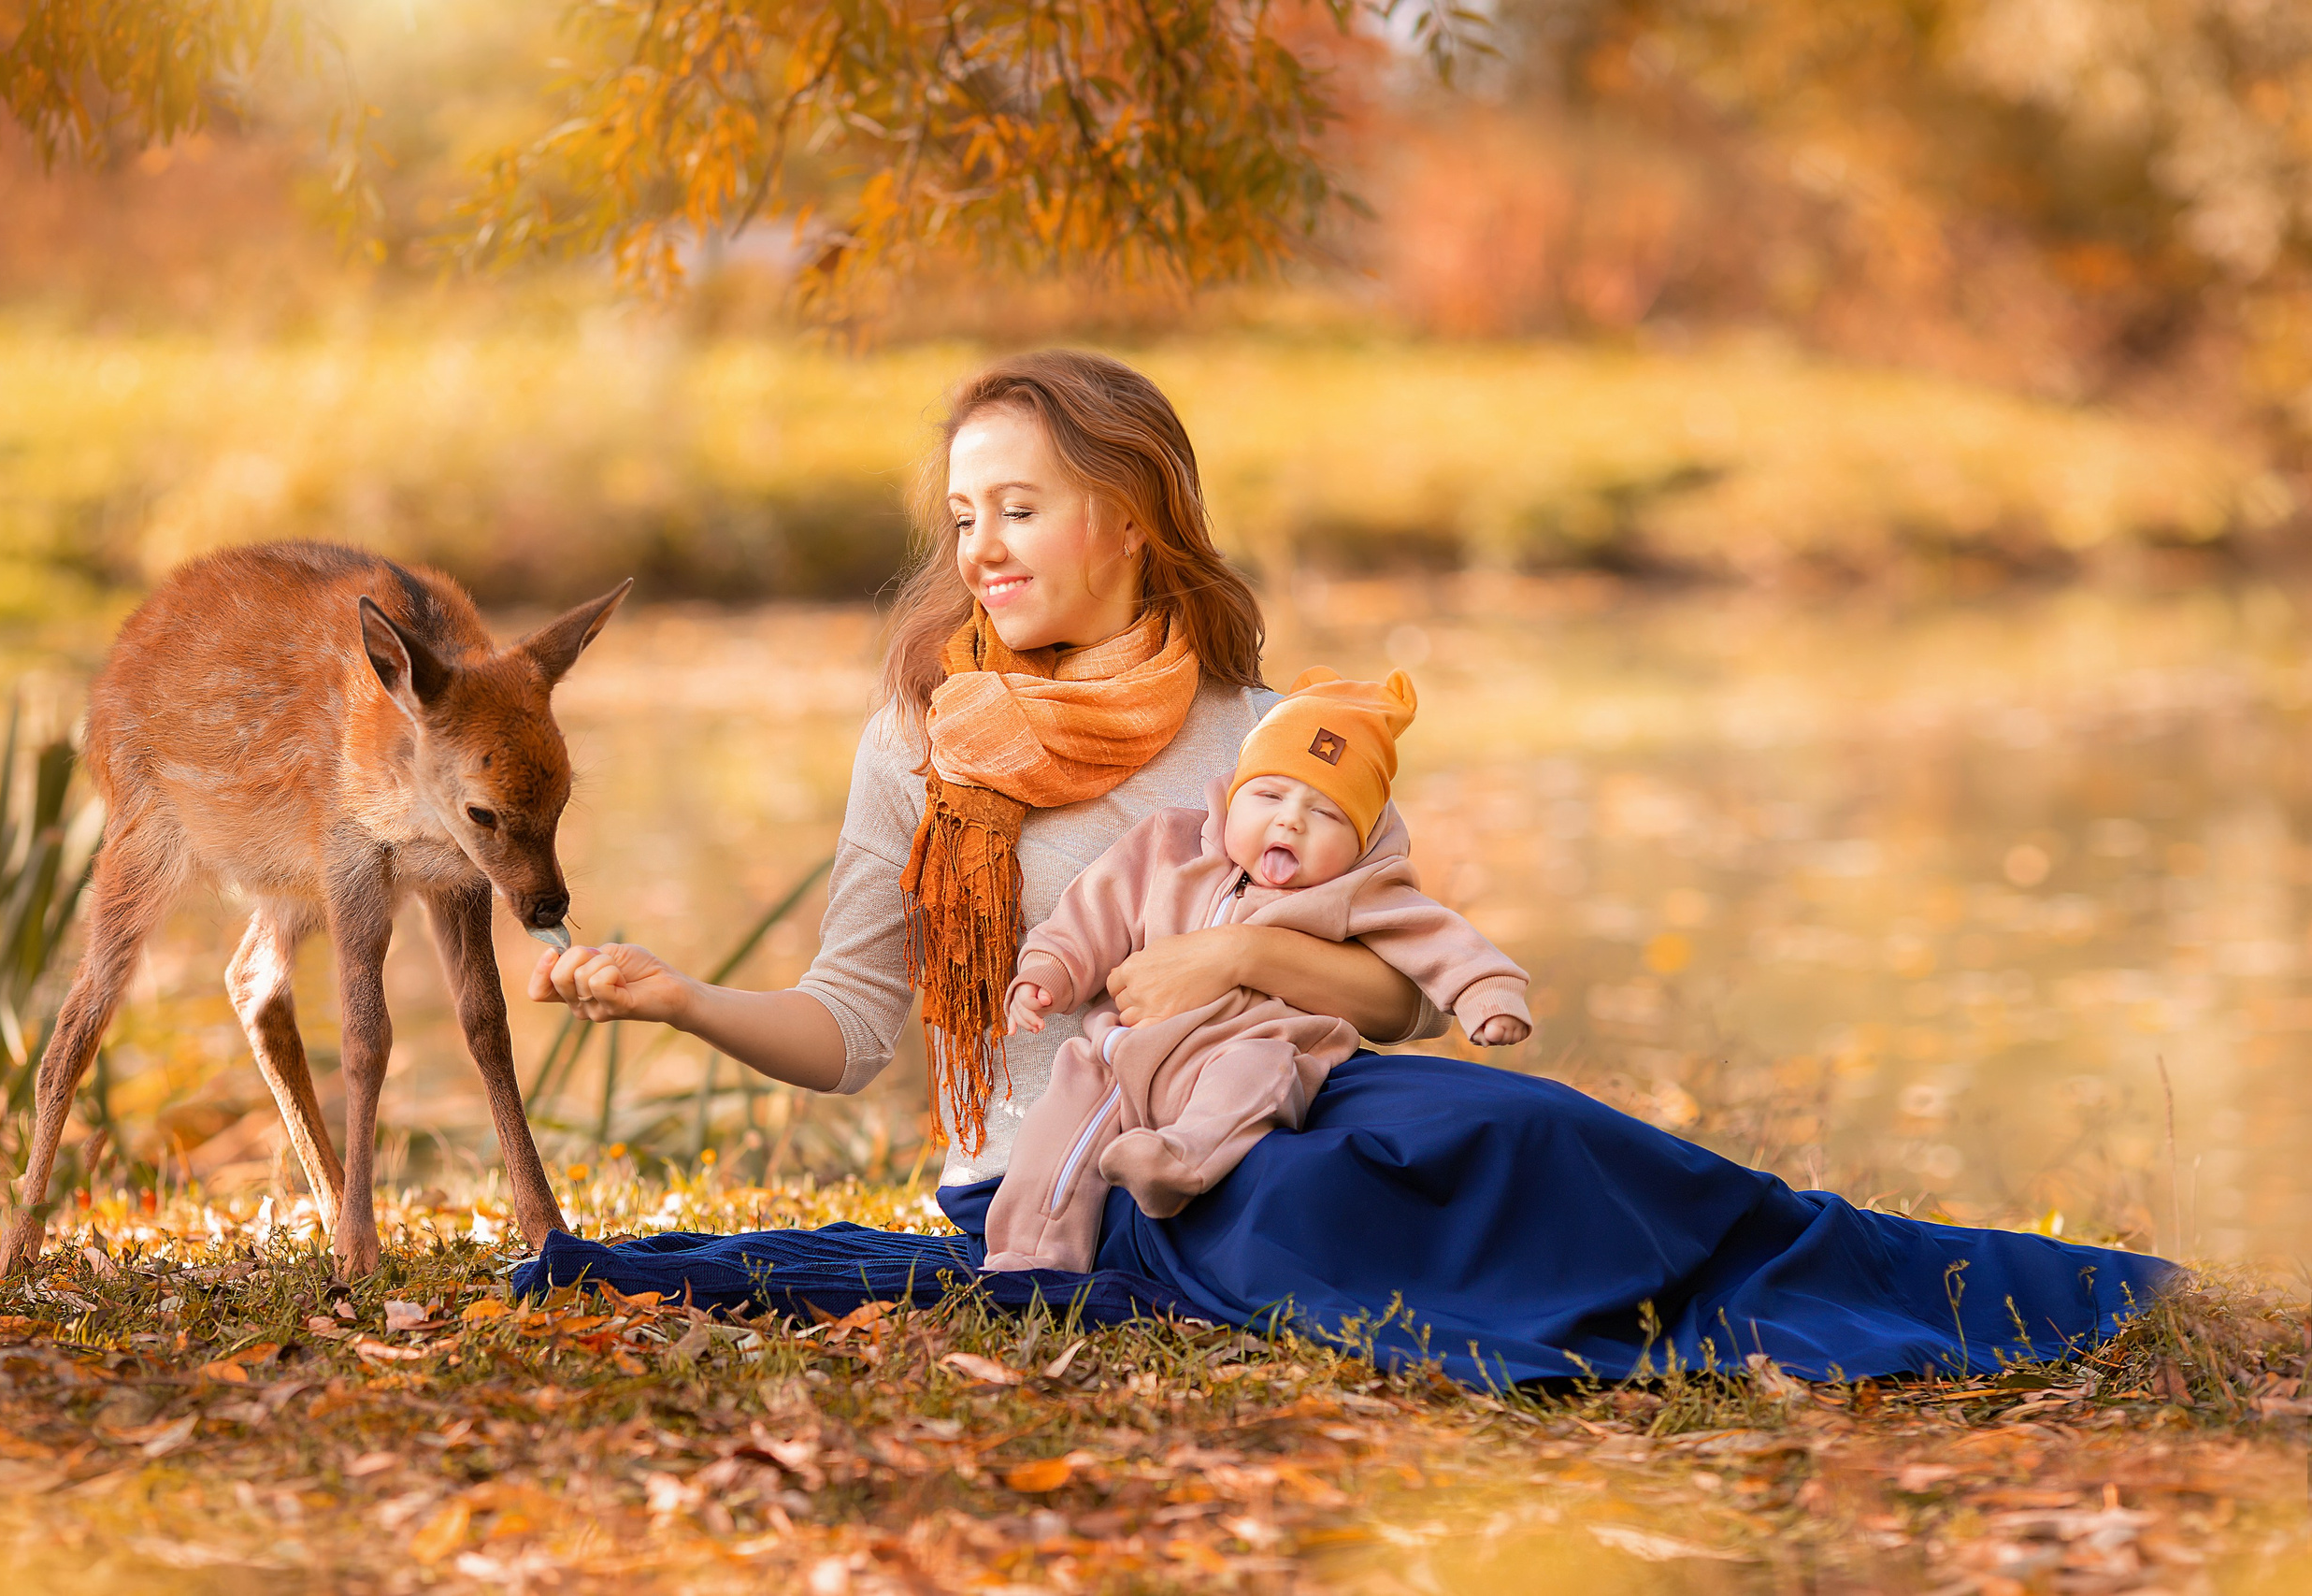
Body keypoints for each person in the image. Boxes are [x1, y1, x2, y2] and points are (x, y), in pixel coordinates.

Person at [528, 349, 2175, 1386]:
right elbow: (849, 1032)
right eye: (964, 517)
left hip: (1298, 1082)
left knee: (1521, 1126)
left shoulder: (1263, 733)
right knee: (1320, 1208)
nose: (982, 549)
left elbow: (1392, 992)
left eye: (1017, 508)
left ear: (1129, 514)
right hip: (1080, 1177)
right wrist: (683, 998)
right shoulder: (922, 744)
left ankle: (1939, 1285)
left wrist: (1237, 956)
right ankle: (1620, 1327)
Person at [986, 667, 1531, 1272]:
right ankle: (1028, 1255)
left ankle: (1180, 1162)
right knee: (1058, 1127)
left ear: (1360, 842)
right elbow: (1093, 912)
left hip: (1251, 1043)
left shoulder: (1355, 890)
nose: (1290, 820)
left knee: (1255, 1080)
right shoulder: (1167, 845)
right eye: (1269, 796)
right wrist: (1048, 971)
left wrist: (1489, 993)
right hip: (1122, 1045)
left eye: (1326, 813)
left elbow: (1438, 938)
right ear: (1232, 795)